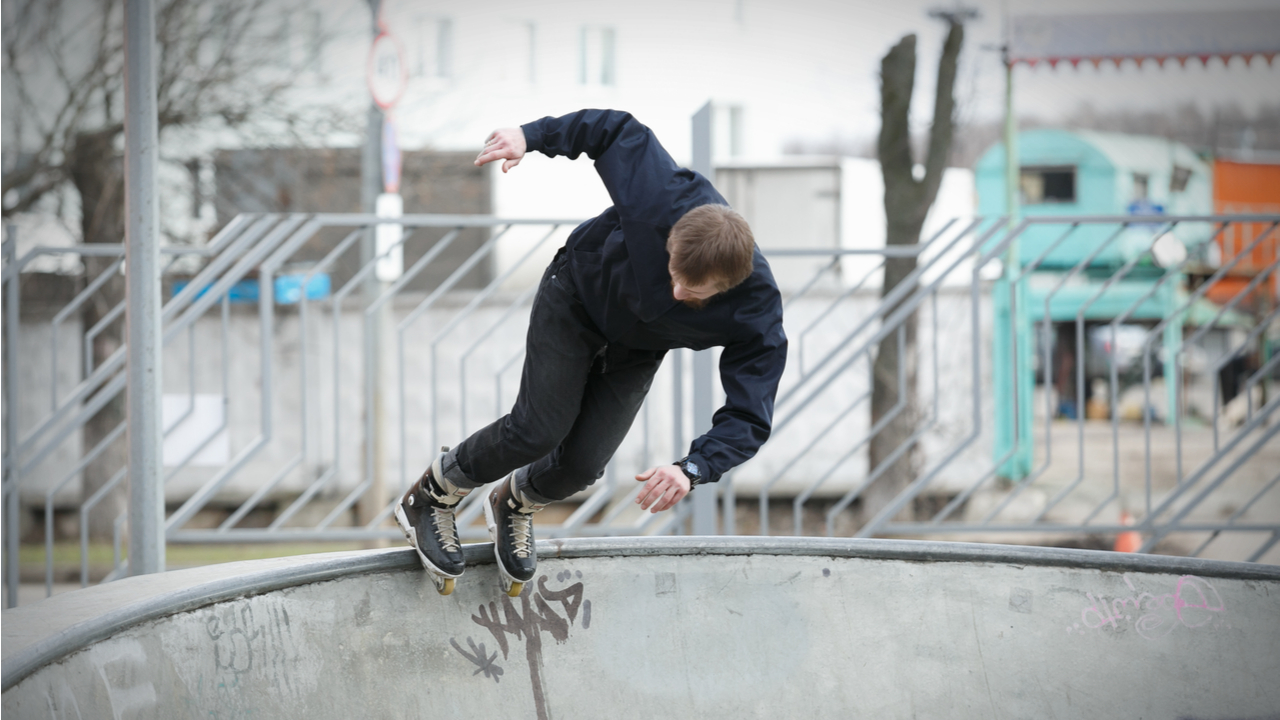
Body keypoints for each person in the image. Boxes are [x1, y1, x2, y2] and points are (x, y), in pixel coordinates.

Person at [395, 109, 787, 596]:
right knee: (537, 429)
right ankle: (432, 495)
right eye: (672, 272)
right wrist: (529, 137)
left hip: (639, 347)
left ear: (730, 286)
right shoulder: (664, 195)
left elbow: (750, 413)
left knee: (582, 466)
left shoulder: (757, 312)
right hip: (577, 295)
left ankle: (514, 503)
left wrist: (694, 467)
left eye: (695, 290)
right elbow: (614, 130)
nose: (677, 290)